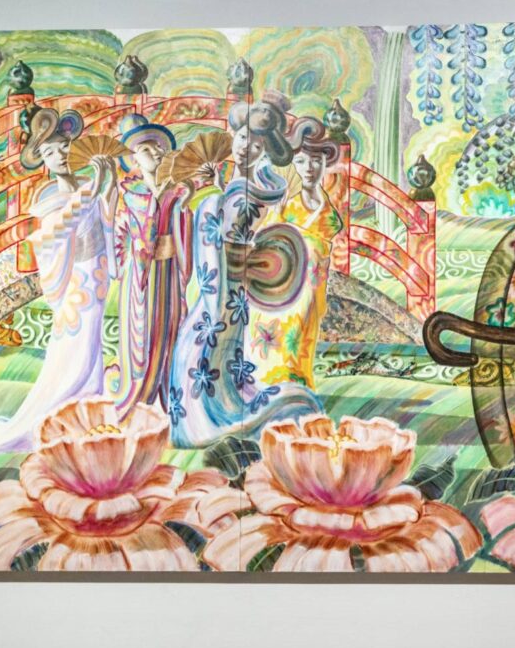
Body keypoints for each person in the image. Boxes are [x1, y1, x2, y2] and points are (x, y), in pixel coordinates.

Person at [167, 93, 322, 447]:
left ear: (264, 151)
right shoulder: (234, 183)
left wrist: (211, 197)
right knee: (200, 346)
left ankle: (207, 419)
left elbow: (225, 229)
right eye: (241, 139)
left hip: (227, 281)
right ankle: (197, 417)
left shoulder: (257, 188)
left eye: (255, 146)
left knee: (207, 345)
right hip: (218, 279)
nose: (244, 148)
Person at [0, 107, 118, 454]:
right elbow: (56, 233)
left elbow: (105, 216)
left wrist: (110, 184)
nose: (59, 155)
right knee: (75, 348)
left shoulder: (85, 184)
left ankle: (87, 412)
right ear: (41, 158)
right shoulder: (47, 196)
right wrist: (93, 190)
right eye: (50, 151)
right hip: (75, 280)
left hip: (97, 274)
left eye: (63, 147)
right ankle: (61, 415)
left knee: (94, 347)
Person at [107, 113, 190, 419]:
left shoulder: (177, 191)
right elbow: (118, 235)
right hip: (138, 277)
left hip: (169, 273)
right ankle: (135, 398)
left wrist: (184, 211)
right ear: (133, 158)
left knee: (170, 329)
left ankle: (168, 399)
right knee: (140, 335)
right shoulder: (130, 193)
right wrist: (133, 259)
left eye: (158, 147)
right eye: (145, 149)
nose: (155, 153)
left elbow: (186, 228)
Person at [248, 115, 341, 388]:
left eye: (316, 161)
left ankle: (296, 386)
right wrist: (276, 217)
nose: (309, 168)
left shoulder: (329, 213)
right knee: (274, 337)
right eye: (301, 161)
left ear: (325, 163)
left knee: (301, 338)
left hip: (311, 286)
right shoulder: (287, 204)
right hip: (283, 284)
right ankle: (269, 383)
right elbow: (266, 241)